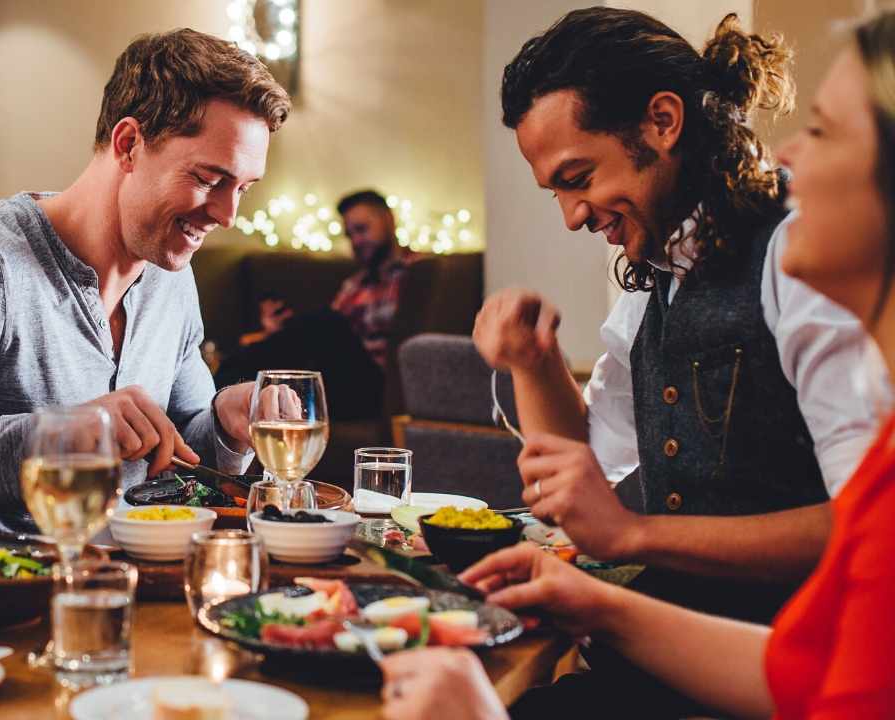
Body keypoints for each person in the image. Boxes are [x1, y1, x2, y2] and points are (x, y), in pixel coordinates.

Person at [380, 10, 895, 719]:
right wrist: (535, 364)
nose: (570, 215)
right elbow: (591, 476)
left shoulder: (800, 262)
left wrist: (637, 539)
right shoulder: (654, 275)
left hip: (772, 679)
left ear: (662, 121)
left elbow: (863, 531)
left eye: (578, 177)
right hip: (665, 666)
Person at [0, 30, 292, 504]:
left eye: (243, 188)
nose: (227, 215)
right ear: (129, 143)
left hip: (130, 572)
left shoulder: (169, 270)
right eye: (209, 179)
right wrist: (61, 436)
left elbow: (185, 454)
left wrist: (227, 421)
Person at [215, 189, 406, 420]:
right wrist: (278, 332)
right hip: (340, 381)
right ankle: (228, 386)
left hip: (381, 388)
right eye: (349, 234)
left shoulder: (417, 275)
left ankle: (222, 378)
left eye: (361, 230)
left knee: (326, 323)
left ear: (389, 220)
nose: (355, 241)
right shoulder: (354, 285)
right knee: (307, 339)